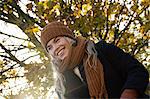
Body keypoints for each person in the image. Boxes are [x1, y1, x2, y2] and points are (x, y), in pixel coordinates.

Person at [40, 21, 149, 99]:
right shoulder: (61, 83)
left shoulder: (100, 50)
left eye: (57, 40)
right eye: (49, 47)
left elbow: (137, 70)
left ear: (69, 38)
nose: (55, 48)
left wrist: (129, 93)